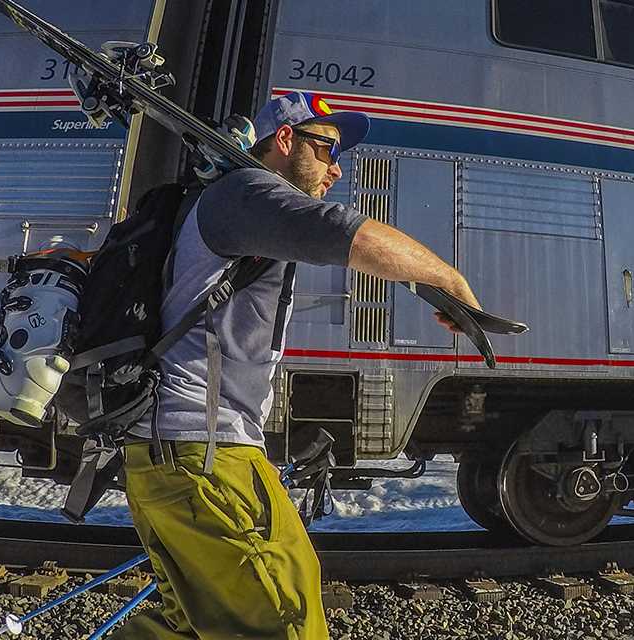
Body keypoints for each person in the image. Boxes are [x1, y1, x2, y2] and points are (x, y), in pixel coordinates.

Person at [112, 92, 480, 640]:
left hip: (177, 456)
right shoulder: (246, 192)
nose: (337, 169)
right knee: (287, 614)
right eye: (327, 149)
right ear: (285, 141)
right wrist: (448, 280)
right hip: (205, 457)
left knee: (186, 626)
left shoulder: (227, 204)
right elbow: (343, 231)